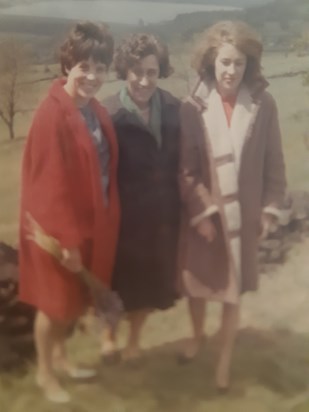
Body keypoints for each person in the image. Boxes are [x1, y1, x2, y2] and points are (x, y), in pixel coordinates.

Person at [178, 20, 286, 391]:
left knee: (230, 291)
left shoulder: (262, 104)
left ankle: (222, 365)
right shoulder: (192, 105)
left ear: (249, 65)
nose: (231, 71)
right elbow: (187, 169)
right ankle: (196, 336)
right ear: (211, 62)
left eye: (238, 63)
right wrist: (202, 212)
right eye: (224, 62)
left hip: (244, 218)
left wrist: (270, 208)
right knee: (198, 286)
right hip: (206, 216)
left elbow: (275, 161)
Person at [18, 22, 120, 403]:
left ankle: (61, 360)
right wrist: (67, 242)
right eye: (85, 67)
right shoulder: (52, 114)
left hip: (91, 226)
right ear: (68, 65)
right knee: (54, 304)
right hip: (54, 234)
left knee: (72, 303)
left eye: (100, 67)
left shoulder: (92, 109)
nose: (93, 76)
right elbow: (49, 186)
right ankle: (45, 374)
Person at [102, 33, 181, 361]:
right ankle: (108, 336)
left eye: (151, 72)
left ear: (159, 72)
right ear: (124, 71)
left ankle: (134, 339)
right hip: (123, 219)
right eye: (137, 72)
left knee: (150, 284)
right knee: (116, 282)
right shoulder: (109, 113)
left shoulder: (175, 108)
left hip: (162, 216)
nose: (144, 80)